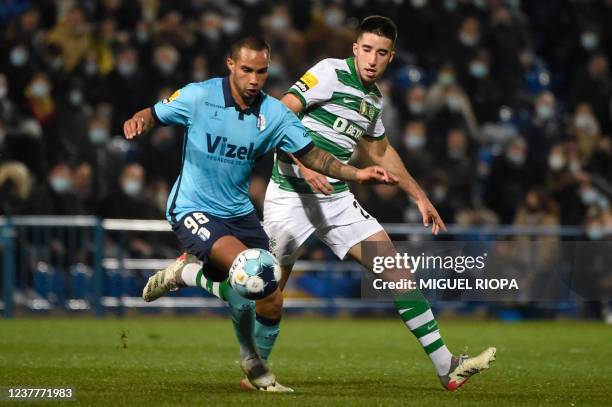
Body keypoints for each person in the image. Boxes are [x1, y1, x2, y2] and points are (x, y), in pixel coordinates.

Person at [171, 16, 496, 392]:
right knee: (267, 297)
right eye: (367, 49)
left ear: (392, 57)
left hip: (337, 200)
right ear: (355, 49)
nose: (373, 59)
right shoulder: (328, 73)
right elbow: (278, 115)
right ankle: (191, 276)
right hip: (290, 196)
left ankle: (447, 367)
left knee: (396, 270)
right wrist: (302, 164)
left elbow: (380, 150)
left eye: (382, 53)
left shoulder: (373, 99)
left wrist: (419, 195)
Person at [123, 36, 397, 392]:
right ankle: (254, 367)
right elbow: (154, 113)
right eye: (248, 70)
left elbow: (313, 155)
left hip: (239, 212)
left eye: (262, 72)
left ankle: (188, 273)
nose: (255, 79)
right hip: (193, 207)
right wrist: (138, 119)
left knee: (270, 297)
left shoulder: (274, 115)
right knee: (249, 271)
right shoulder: (199, 96)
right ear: (231, 65)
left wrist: (356, 173)